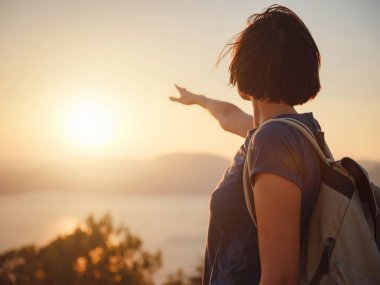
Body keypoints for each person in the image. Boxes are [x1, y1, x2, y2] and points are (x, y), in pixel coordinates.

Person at [170, 5, 322, 285]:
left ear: (243, 75)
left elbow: (280, 278)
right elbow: (228, 117)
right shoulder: (292, 133)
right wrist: (197, 99)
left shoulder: (274, 142)